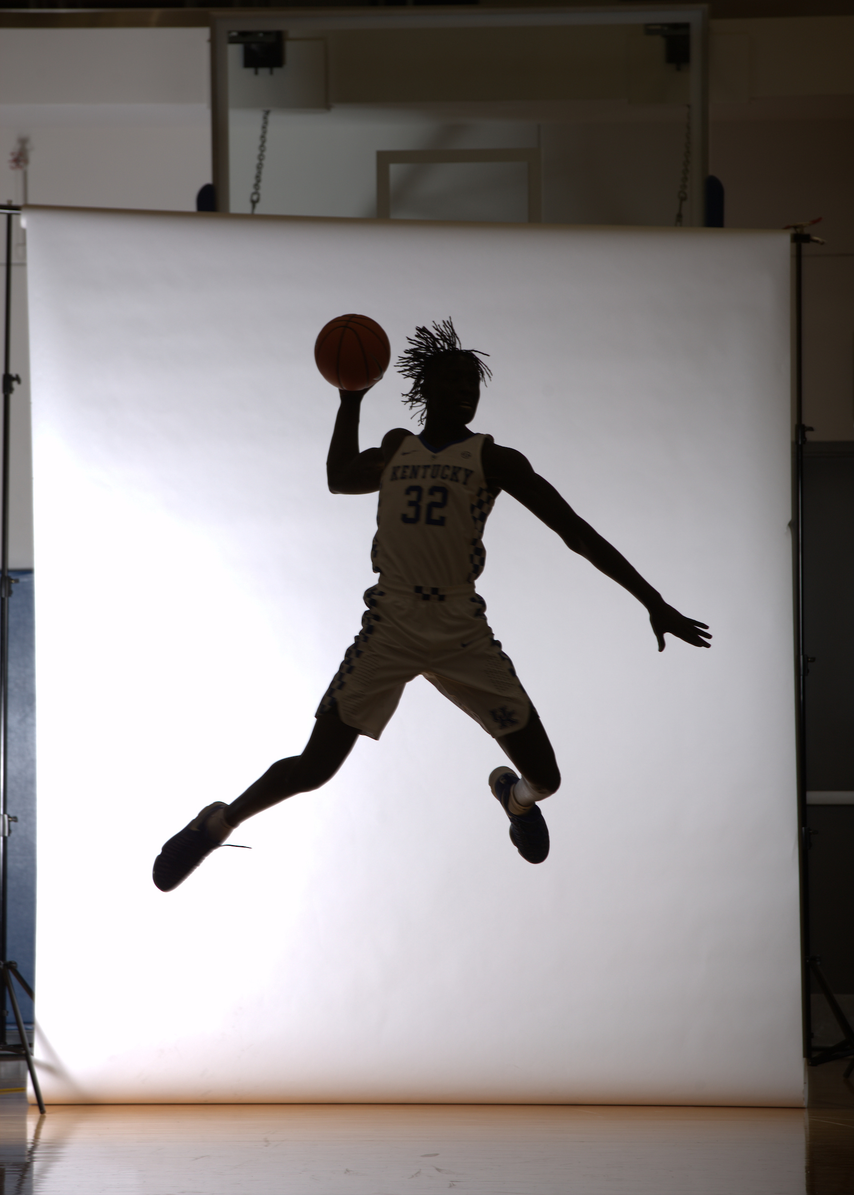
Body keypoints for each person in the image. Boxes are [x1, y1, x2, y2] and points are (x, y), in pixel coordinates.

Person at [153, 320, 711, 891]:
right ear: (427, 389)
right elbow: (339, 478)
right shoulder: (398, 447)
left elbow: (576, 532)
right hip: (391, 624)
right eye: (456, 382)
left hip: (460, 628)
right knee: (315, 768)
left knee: (546, 779)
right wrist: (350, 400)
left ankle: (515, 801)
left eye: (474, 383)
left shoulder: (495, 459)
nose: (467, 392)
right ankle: (214, 824)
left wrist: (653, 600)